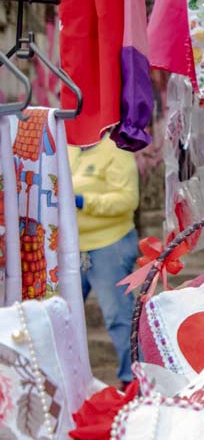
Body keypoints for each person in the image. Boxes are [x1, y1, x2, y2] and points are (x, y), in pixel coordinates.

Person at [69, 136, 140, 385]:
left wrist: (84, 202)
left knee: (117, 316)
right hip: (72, 247)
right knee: (62, 315)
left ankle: (133, 381)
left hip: (109, 244)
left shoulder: (116, 148)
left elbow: (128, 199)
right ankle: (67, 379)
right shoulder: (68, 147)